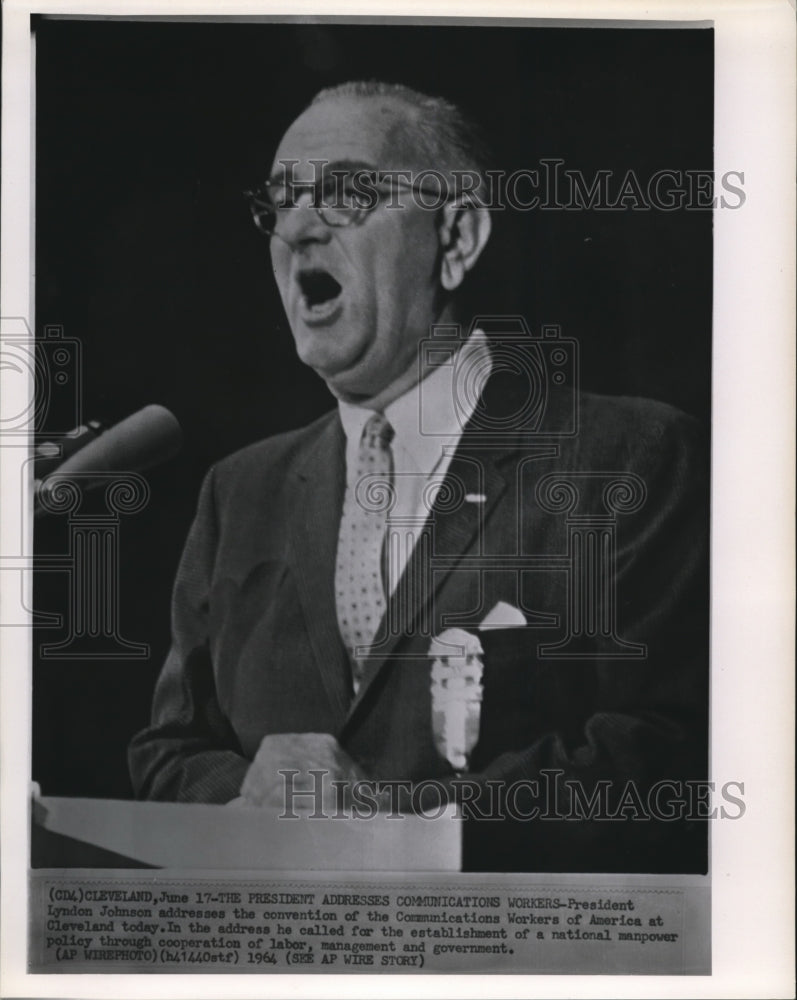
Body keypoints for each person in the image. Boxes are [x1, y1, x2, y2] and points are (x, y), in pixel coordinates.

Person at [129, 81, 708, 872]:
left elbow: (662, 752)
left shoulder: (630, 456)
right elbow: (171, 749)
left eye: (346, 195)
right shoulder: (239, 491)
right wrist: (244, 801)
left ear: (457, 236)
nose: (298, 227)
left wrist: (399, 825)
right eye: (278, 204)